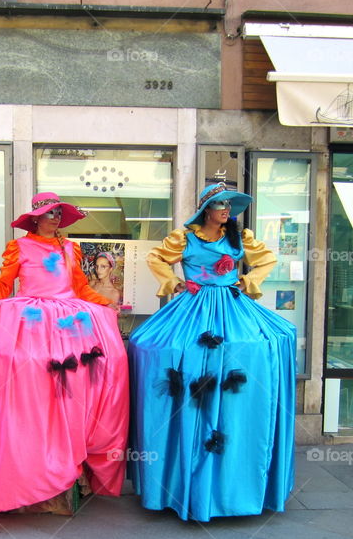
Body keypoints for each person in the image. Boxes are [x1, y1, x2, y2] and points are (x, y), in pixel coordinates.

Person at [0, 193, 128, 515]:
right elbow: (4, 283)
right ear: (36, 218)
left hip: (69, 319)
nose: (54, 219)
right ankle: (29, 457)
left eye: (58, 214)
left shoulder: (71, 248)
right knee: (30, 379)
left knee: (89, 373)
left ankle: (68, 450)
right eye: (49, 213)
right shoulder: (20, 247)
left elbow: (80, 287)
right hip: (31, 319)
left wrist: (105, 303)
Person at [127, 181, 296, 521]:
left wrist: (246, 282)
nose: (227, 210)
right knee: (160, 347)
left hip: (232, 307)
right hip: (193, 306)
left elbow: (266, 259)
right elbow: (156, 257)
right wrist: (175, 282)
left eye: (230, 205)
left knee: (270, 341)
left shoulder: (240, 237)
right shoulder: (185, 237)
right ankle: (182, 462)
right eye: (221, 204)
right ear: (206, 208)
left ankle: (234, 472)